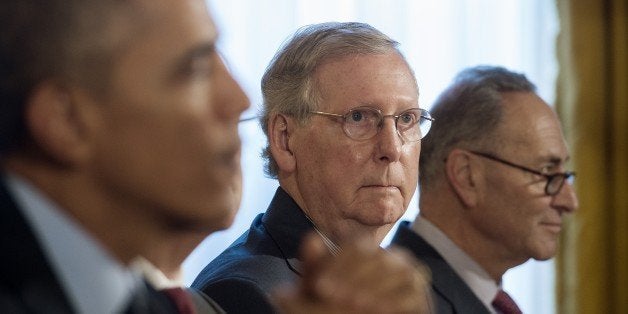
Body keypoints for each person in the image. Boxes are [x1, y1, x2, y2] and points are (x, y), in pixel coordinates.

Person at [1, 1, 430, 313]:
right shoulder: (247, 293)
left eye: (408, 119)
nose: (239, 99)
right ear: (67, 119)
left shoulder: (150, 304)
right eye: (192, 70)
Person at [193, 21, 434, 313]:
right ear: (285, 140)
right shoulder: (246, 294)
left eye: (407, 119)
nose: (392, 149)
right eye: (358, 118)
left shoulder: (394, 286)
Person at [390, 65, 579, 313]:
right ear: (466, 176)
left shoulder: (488, 299)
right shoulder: (395, 302)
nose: (569, 201)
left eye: (564, 175)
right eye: (546, 173)